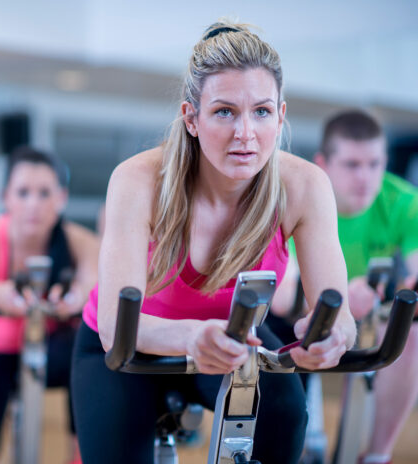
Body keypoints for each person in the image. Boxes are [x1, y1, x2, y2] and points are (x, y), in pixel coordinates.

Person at [70, 21, 358, 464]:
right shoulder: (138, 180)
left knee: (284, 412)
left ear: (280, 115)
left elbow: (336, 315)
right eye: (225, 111)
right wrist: (194, 336)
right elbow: (114, 325)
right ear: (192, 118)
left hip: (234, 343)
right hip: (126, 349)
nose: (245, 132)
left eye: (261, 112)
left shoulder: (305, 186)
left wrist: (330, 336)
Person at [270, 110, 418, 464]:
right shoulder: (296, 197)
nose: (366, 178)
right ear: (323, 163)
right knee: (287, 325)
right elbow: (282, 299)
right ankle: (306, 435)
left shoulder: (402, 202)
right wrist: (334, 306)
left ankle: (377, 455)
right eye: (352, 165)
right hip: (303, 312)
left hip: (366, 314)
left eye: (374, 164)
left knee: (411, 328)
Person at [0, 146, 99, 464]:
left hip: (51, 348)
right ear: (5, 197)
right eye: (23, 193)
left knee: (92, 353)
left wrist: (74, 299)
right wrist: (1, 294)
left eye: (44, 193)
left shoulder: (81, 240)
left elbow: (93, 283)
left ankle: (81, 454)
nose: (34, 204)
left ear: (61, 198)